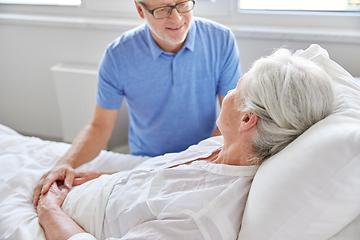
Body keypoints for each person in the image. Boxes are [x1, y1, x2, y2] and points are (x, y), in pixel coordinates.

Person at [36, 48, 335, 240]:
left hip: (63, 219)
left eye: (236, 88)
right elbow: (164, 178)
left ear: (247, 119)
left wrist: (49, 209)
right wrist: (108, 178)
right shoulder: (221, 147)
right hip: (95, 189)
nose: (227, 94)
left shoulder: (201, 217)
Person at [33, 0, 242, 205]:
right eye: (162, 9)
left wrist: (189, 164)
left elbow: (232, 119)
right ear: (140, 10)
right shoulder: (117, 56)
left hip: (201, 158)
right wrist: (65, 163)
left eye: (182, 4)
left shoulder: (221, 40)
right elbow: (99, 127)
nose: (177, 18)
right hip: (144, 161)